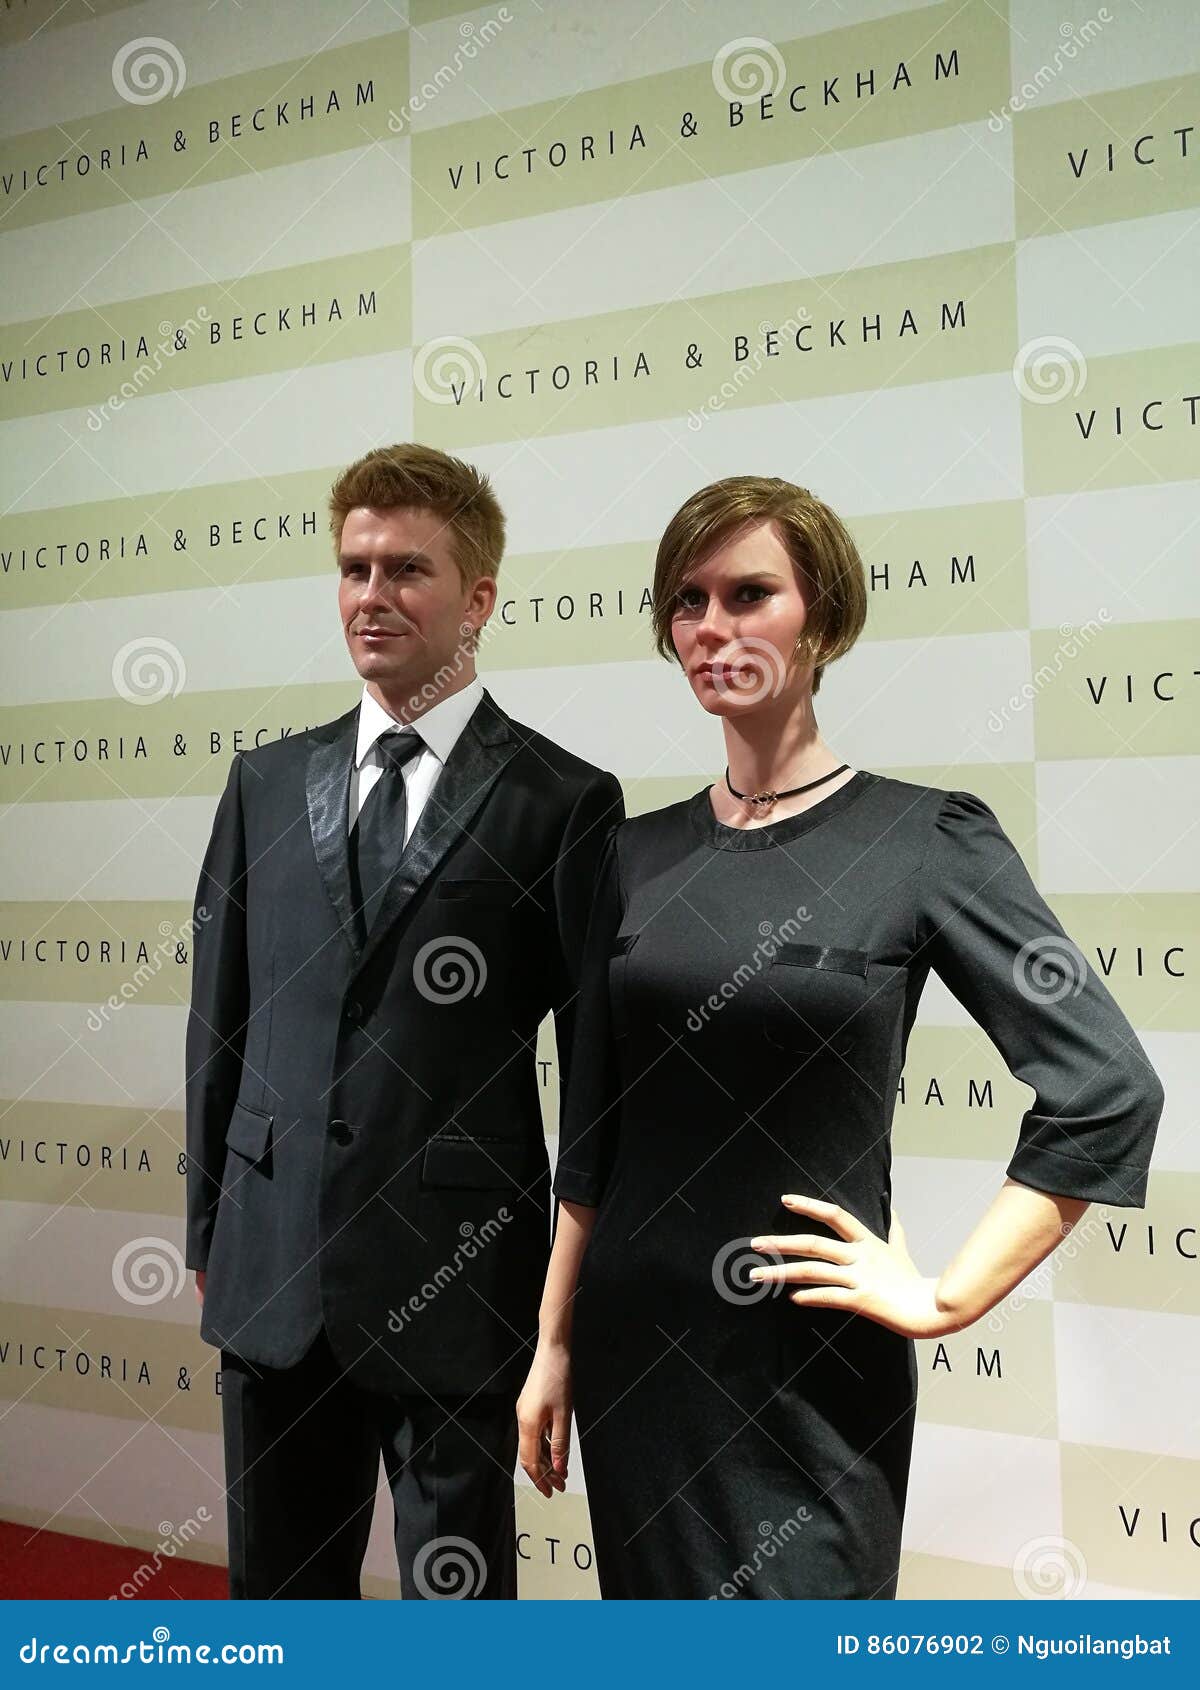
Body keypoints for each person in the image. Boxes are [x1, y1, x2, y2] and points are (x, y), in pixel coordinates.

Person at [516, 474, 1165, 1600]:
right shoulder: (630, 857)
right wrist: (554, 1343)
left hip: (810, 1372)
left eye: (749, 593)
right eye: (687, 600)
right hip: (639, 1360)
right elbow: (594, 1137)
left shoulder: (923, 841)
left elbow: (1107, 1085)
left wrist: (947, 1298)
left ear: (822, 617)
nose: (711, 625)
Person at [185, 443, 624, 1598]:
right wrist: (208, 1234)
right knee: (279, 1616)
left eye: (406, 571)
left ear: (477, 599)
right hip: (272, 1276)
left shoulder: (563, 801)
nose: (371, 596)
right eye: (355, 569)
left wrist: (561, 1308)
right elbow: (218, 1024)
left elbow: (597, 1072)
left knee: (458, 1624)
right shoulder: (264, 785)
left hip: (461, 1290)